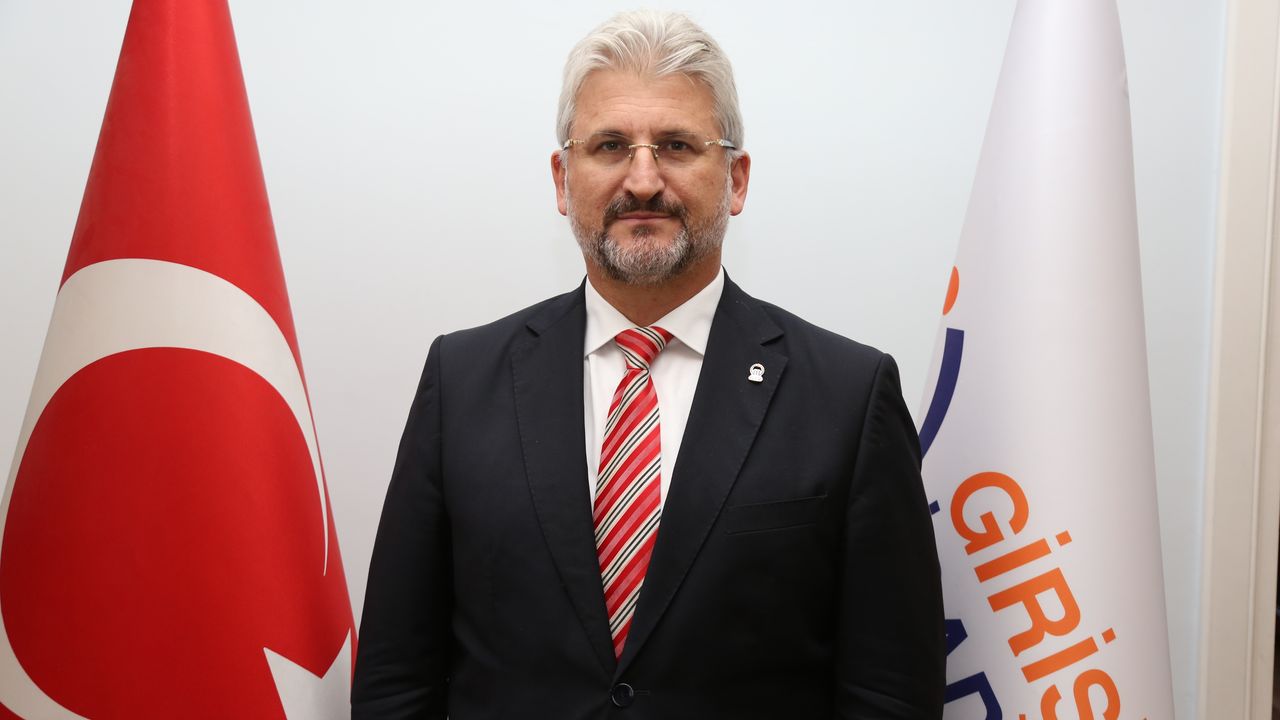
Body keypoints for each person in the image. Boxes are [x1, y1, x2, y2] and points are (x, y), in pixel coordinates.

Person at [352, 10, 944, 719]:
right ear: (563, 179)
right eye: (609, 145)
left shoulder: (849, 396)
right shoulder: (461, 380)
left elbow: (889, 694)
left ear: (736, 179)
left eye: (676, 145)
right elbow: (397, 678)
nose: (641, 180)